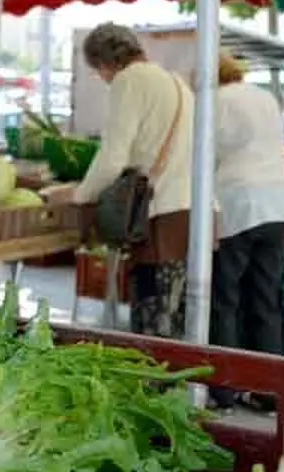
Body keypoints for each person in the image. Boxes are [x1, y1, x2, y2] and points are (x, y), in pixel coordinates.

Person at [57, 23, 194, 339]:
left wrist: (80, 197)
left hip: (158, 217)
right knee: (177, 324)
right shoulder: (177, 83)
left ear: (105, 63)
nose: (103, 79)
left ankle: (151, 389)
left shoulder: (129, 81)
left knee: (150, 330)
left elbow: (113, 157)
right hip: (190, 214)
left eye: (98, 71)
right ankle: (177, 389)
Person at [209, 54, 284, 406]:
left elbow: (209, 152)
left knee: (225, 298)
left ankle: (224, 388)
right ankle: (267, 388)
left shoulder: (214, 101)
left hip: (238, 202)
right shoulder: (264, 97)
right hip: (278, 202)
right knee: (266, 298)